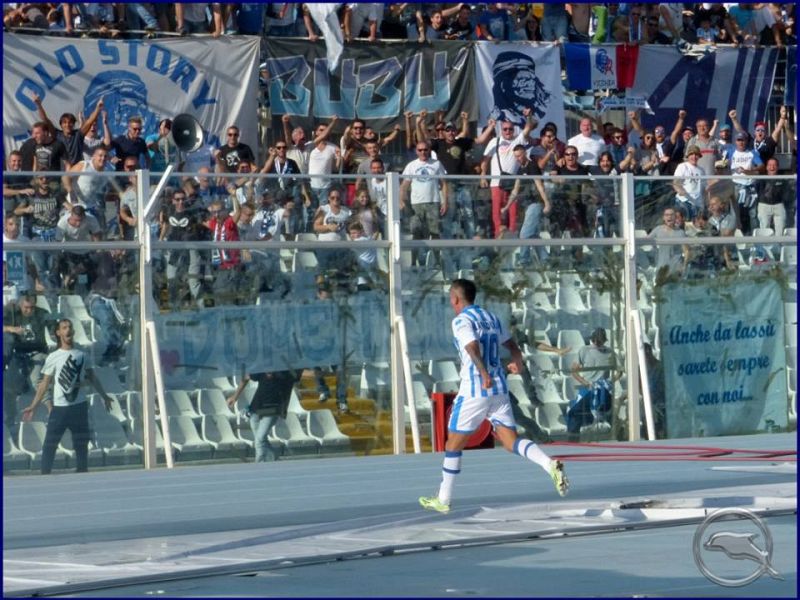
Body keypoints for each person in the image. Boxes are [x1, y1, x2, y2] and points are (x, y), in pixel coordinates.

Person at [419, 279, 569, 514]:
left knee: (452, 444)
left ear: (455, 299)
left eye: (450, 297)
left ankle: (443, 499)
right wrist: (517, 362)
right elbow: (513, 345)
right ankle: (549, 463)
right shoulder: (491, 317)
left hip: (476, 388)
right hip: (499, 388)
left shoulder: (461, 320)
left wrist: (482, 372)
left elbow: (472, 348)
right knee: (510, 442)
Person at [21, 318, 115, 475]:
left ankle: (82, 474)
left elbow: (92, 377)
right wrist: (34, 405)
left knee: (81, 444)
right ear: (58, 333)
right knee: (50, 445)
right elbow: (44, 384)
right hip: (60, 409)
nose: (68, 330)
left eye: (70, 327)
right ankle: (45, 475)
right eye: (64, 328)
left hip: (79, 407)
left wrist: (104, 396)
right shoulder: (53, 357)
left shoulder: (82, 355)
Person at [226, 369, 301, 462]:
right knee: (260, 440)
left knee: (260, 439)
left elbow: (302, 373)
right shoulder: (261, 371)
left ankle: (259, 464)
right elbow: (245, 378)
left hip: (273, 410)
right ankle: (274, 459)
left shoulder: (285, 373)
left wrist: (318, 373)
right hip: (256, 408)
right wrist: (235, 396)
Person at [566, 328, 618, 441]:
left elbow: (619, 371)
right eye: (595, 340)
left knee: (608, 413)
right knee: (574, 413)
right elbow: (574, 371)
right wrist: (585, 383)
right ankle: (573, 442)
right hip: (587, 389)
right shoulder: (584, 351)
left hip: (603, 390)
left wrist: (609, 381)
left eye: (600, 341)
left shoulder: (610, 353)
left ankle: (620, 435)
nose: (597, 343)